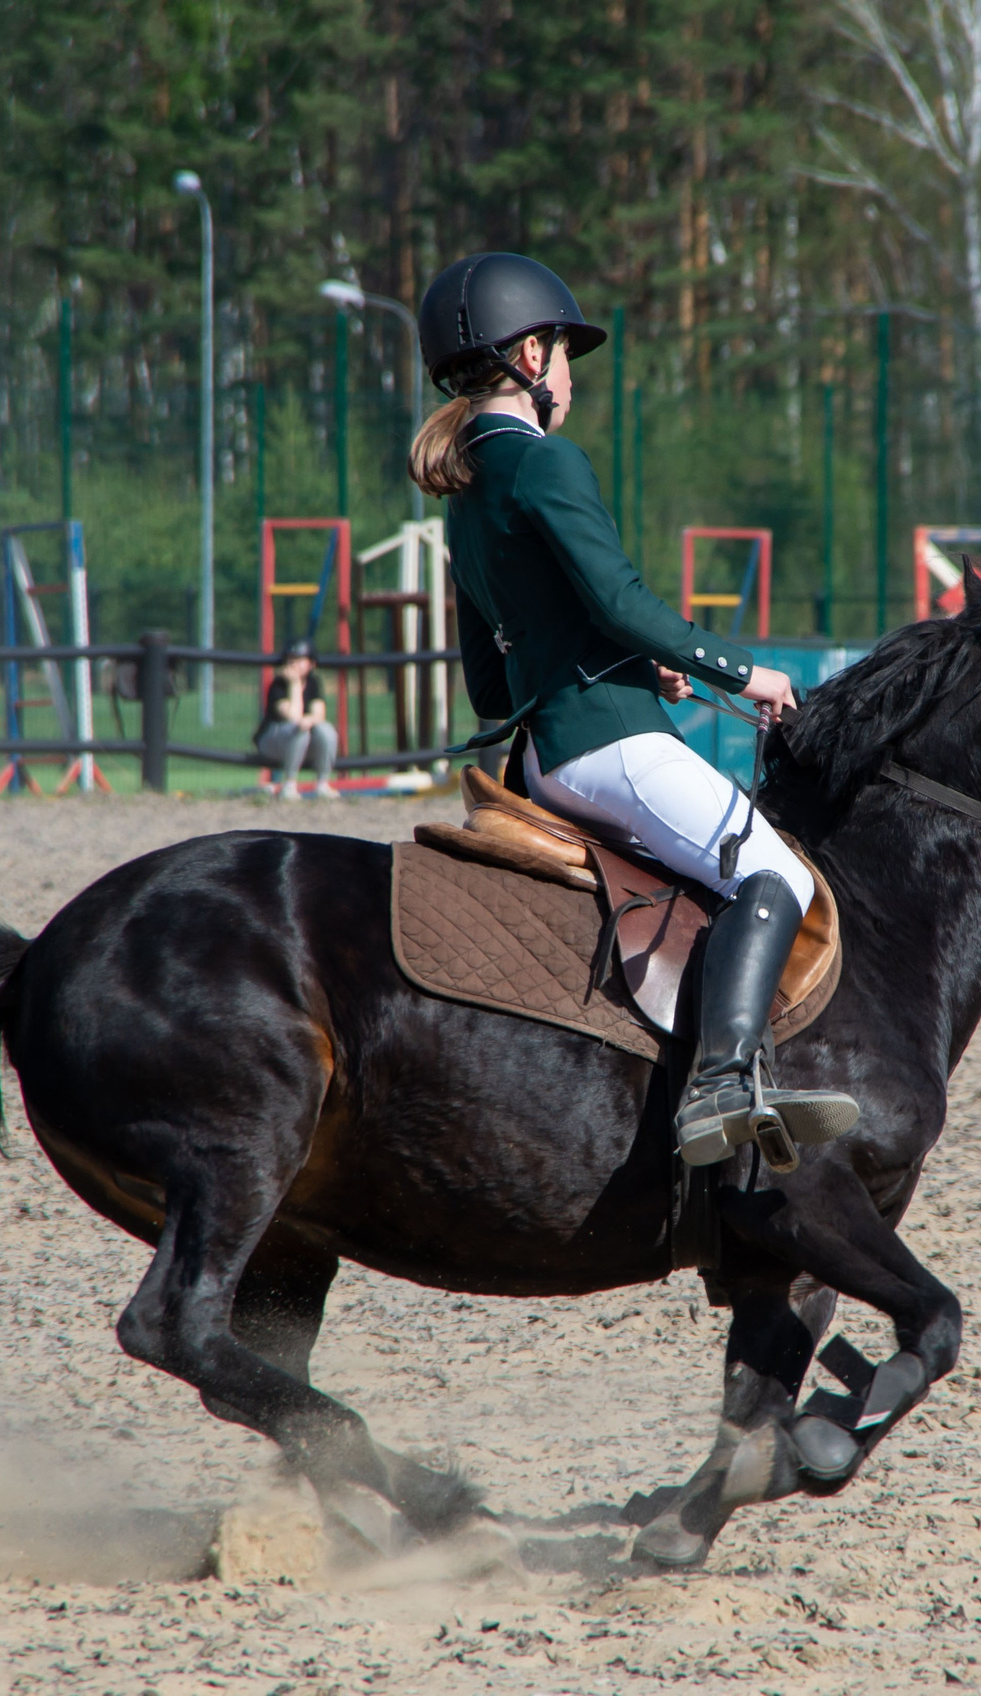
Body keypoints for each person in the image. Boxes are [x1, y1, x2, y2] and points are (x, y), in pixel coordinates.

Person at [411, 252, 858, 1167]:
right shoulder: (547, 462)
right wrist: (743, 673)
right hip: (612, 750)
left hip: (547, 758)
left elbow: (494, 686)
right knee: (780, 879)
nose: (572, 377)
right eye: (566, 355)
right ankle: (721, 1087)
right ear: (531, 357)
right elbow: (620, 599)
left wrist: (628, 670)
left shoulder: (464, 497)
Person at [257, 640, 340, 799]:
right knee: (300, 730)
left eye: (300, 659)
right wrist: (294, 685)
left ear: (311, 664)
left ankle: (322, 784)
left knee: (326, 730)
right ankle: (289, 785)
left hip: (302, 743)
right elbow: (293, 717)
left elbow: (319, 715)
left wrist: (310, 720)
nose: (293, 663)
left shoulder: (313, 682)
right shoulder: (278, 685)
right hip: (273, 742)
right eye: (290, 659)